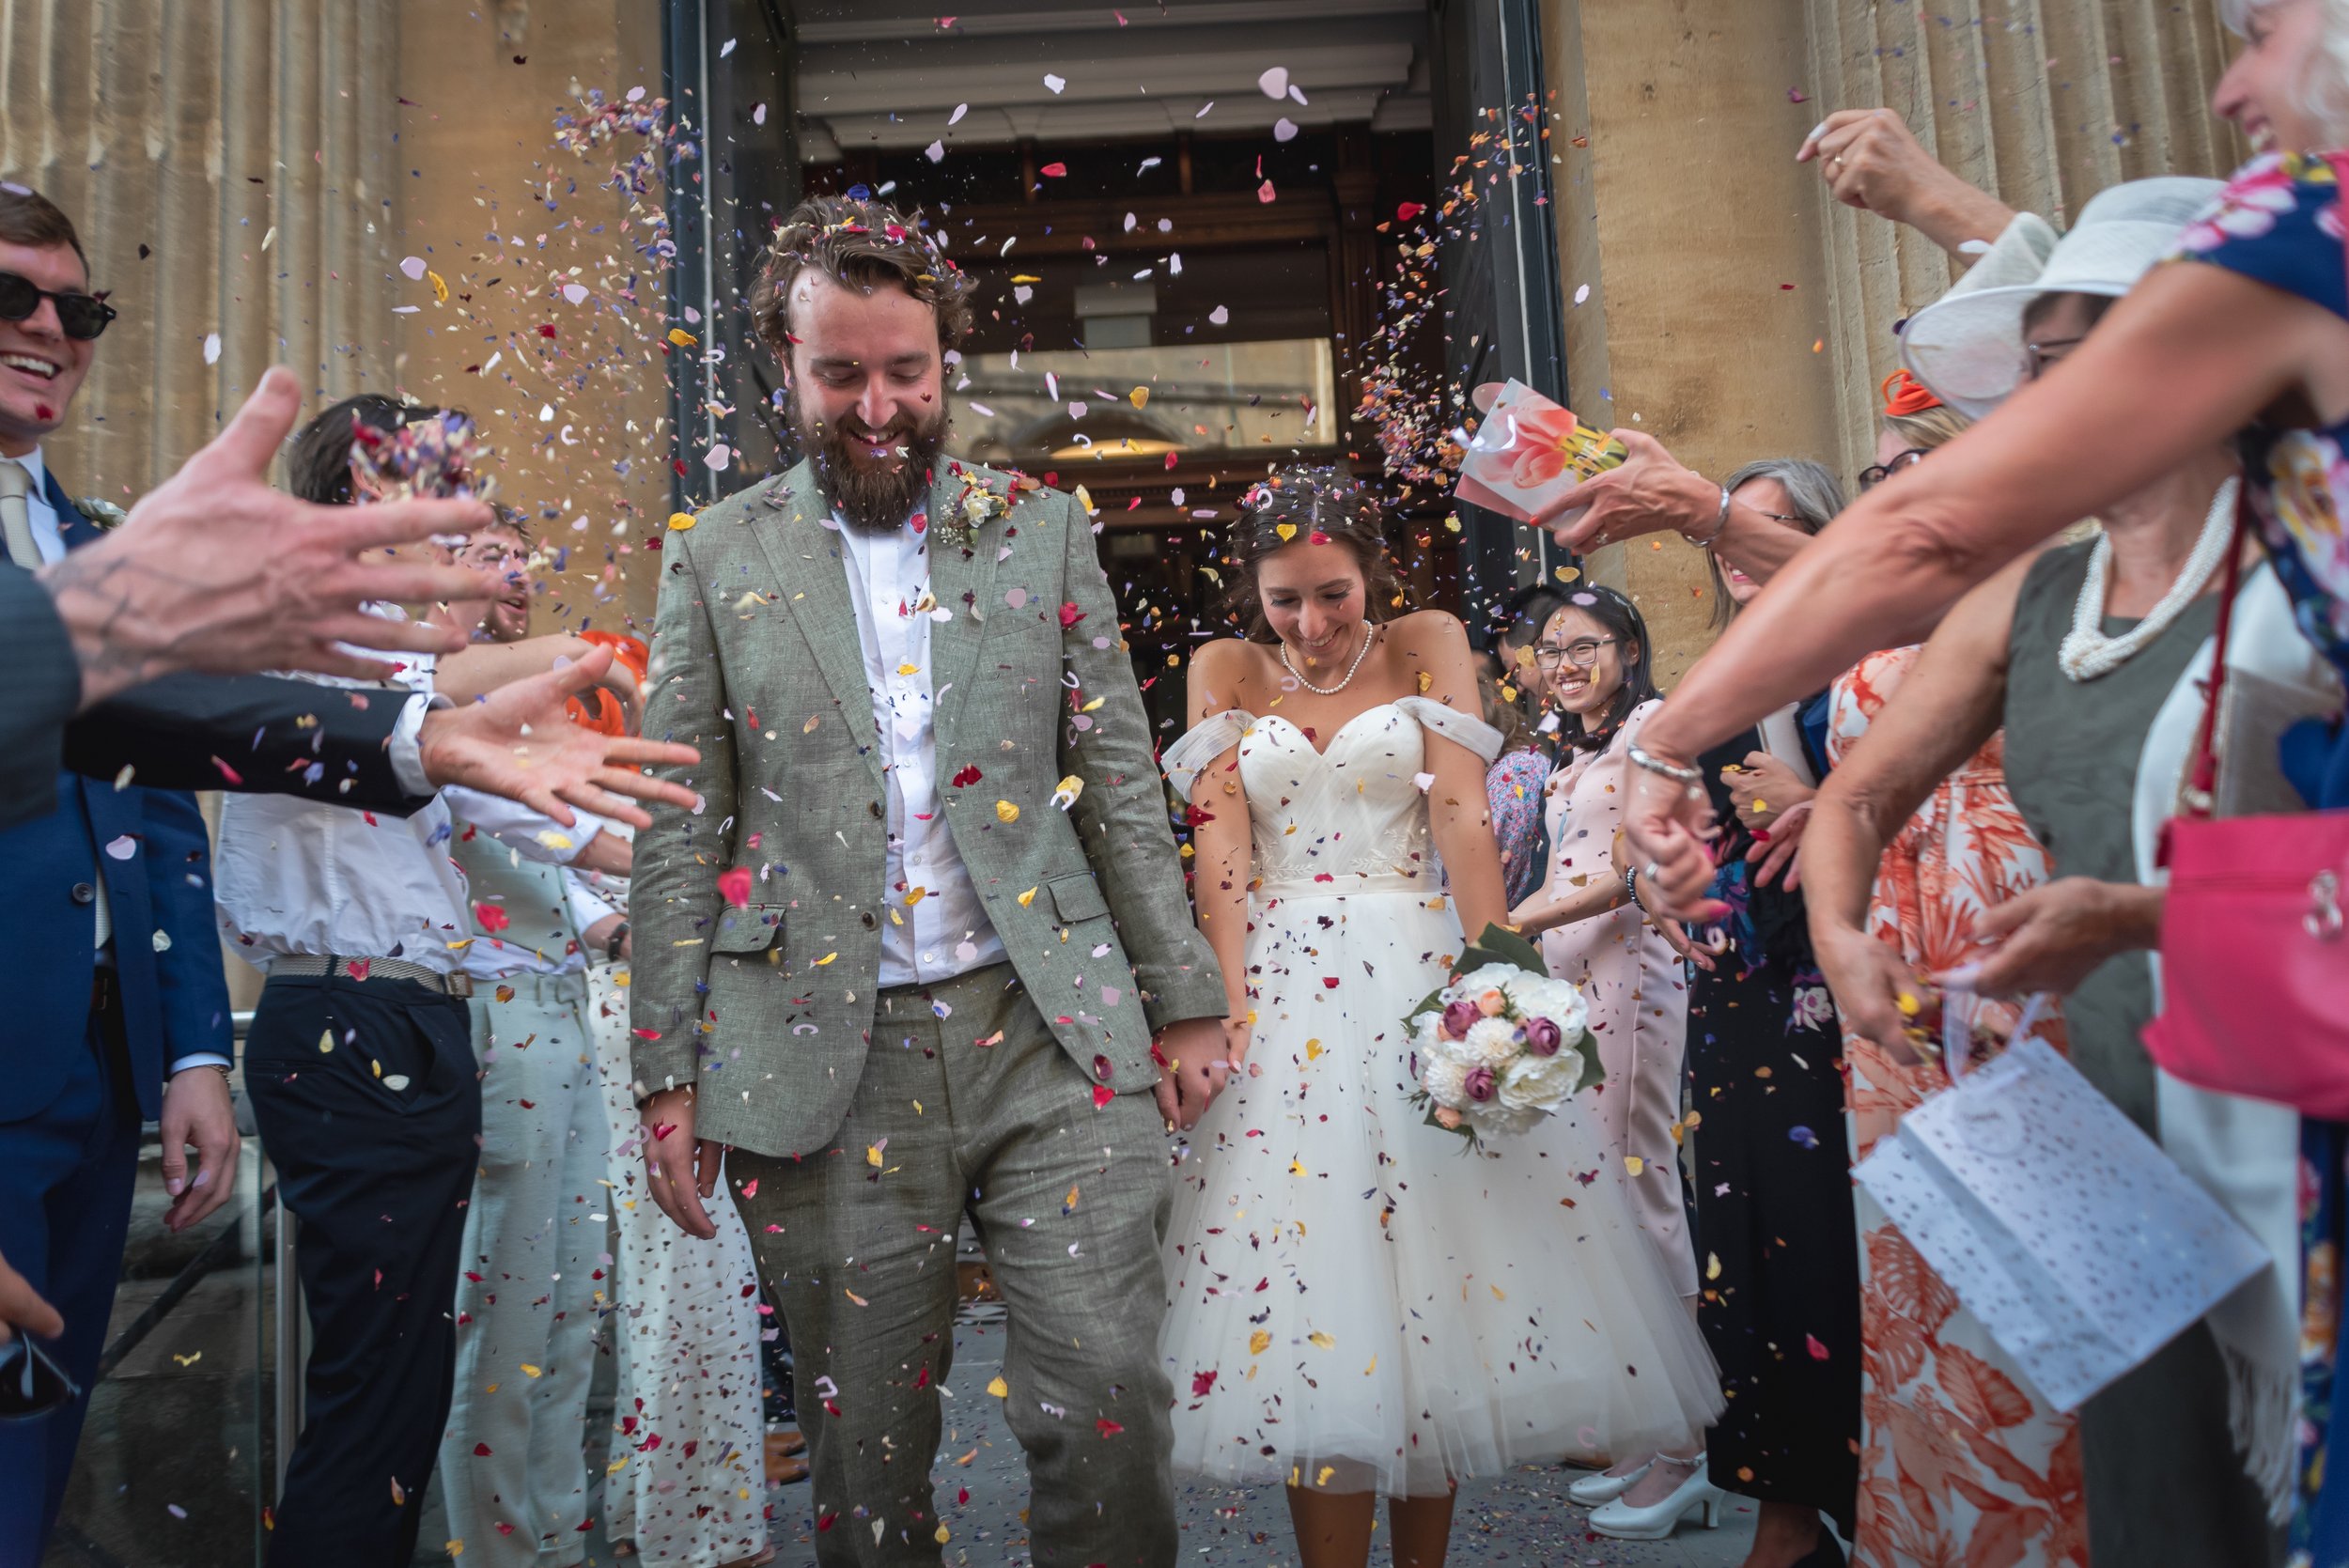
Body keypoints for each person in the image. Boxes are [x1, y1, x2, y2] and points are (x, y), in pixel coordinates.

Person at [1609, 1, 2349, 1558]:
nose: (2227, 83)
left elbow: (1915, 536)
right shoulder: (2064, 579)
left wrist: (1668, 743)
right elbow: (1873, 748)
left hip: (2277, 1048)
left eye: (2266, 27)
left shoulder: (2291, 384)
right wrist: (1838, 907)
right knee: (2152, 1474)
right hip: (2101, 1056)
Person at [629, 194, 1230, 1568]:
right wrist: (667, 1069)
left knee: (1108, 1402)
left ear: (946, 363)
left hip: (1051, 1028)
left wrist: (1183, 997)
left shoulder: (1041, 528)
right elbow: (680, 827)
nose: (880, 405)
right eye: (841, 373)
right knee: (867, 1452)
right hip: (819, 1055)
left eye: (907, 370)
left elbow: (1119, 783)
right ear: (787, 374)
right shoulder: (715, 555)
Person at [1159, 469, 1722, 1568]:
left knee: (1437, 1285)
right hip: (1281, 992)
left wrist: (1496, 974)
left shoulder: (1427, 638)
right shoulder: (1221, 670)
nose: (1312, 623)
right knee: (1305, 1277)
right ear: (1252, 592)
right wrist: (1226, 1006)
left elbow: (1461, 814)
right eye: (1285, 599)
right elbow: (1219, 851)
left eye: (1333, 593)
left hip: (1414, 969)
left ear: (1374, 574)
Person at [213, 397, 697, 1568]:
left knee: (415, 1376)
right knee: (377, 1394)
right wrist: (562, 667)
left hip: (414, 1023)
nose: (470, 507)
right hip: (343, 1020)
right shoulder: (296, 629)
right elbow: (424, 721)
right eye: (446, 483)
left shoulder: (412, 678)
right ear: (364, 497)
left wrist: (737, 871)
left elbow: (542, 818)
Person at [0, 181, 237, 1563]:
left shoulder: (100, 544)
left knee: (35, 1448)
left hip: (99, 1079)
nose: (50, 328)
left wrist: (195, 1050)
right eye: (10, 298)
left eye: (75, 308)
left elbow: (163, 816)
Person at [1498, 584, 1716, 1539]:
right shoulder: (1576, 746)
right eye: (1551, 648)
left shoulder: (1649, 732)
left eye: (1585, 644)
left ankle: (1686, 1445)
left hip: (1632, 977)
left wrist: (1508, 928)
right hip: (1576, 984)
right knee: (1602, 1195)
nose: (1565, 662)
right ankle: (1641, 1425)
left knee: (1641, 1191)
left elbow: (1629, 869)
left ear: (1630, 648)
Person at [1673, 458, 1860, 1568]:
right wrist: (1679, 885)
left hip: (1840, 970)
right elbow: (1710, 831)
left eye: (1774, 525)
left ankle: (1860, 1497)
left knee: (1838, 1234)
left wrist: (1830, 801)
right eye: (1735, 527)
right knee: (1741, 1237)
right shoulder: (1727, 669)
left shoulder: (1872, 657)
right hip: (1741, 981)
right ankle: (1782, 1509)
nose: (1744, 543)